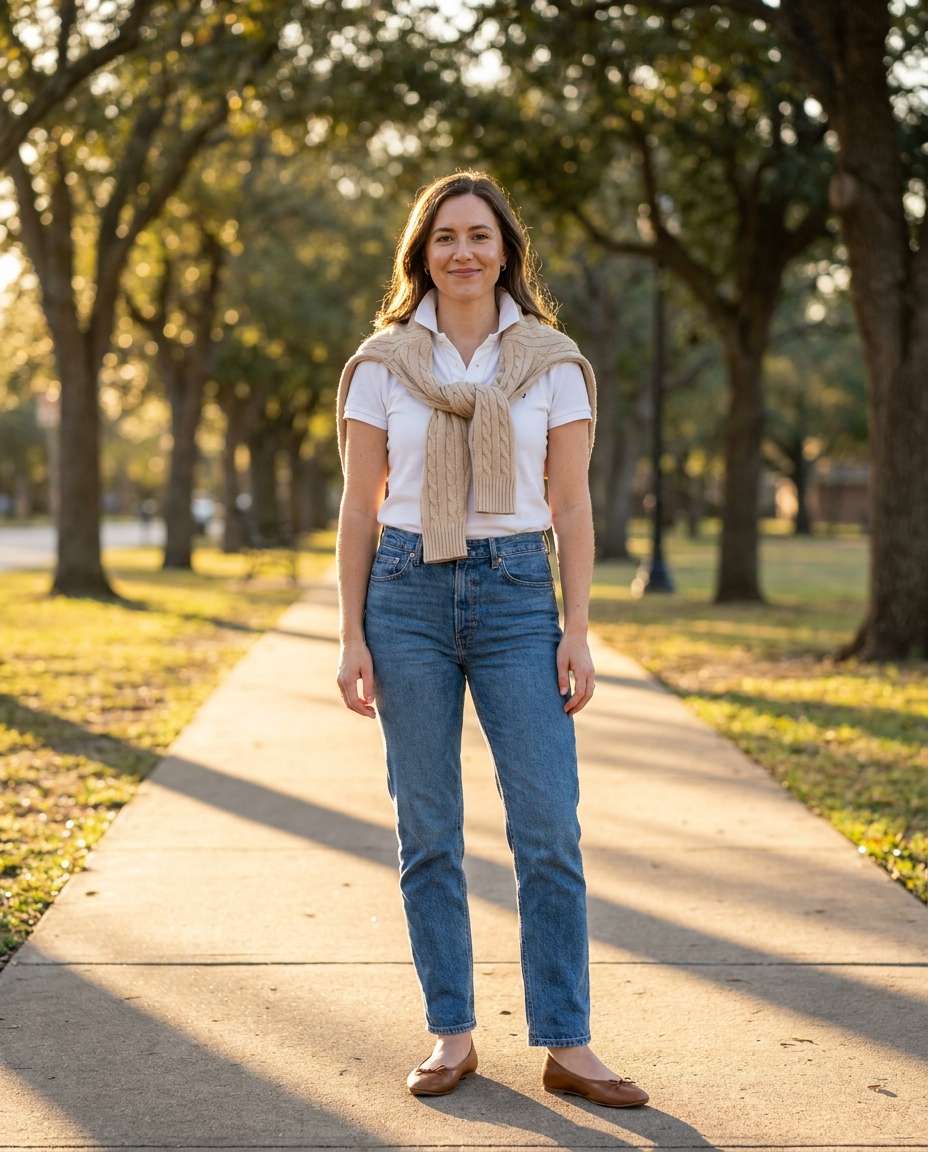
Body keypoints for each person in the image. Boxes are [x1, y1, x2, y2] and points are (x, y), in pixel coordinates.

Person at [334, 170, 649, 1109]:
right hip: (404, 595)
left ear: (505, 248)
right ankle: (452, 1033)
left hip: (516, 596)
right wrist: (348, 632)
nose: (462, 252)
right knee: (426, 830)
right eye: (444, 238)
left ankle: (568, 1041)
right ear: (421, 255)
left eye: (478, 235)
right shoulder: (383, 363)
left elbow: (572, 504)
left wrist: (579, 630)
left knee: (547, 827)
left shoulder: (552, 361)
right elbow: (358, 505)